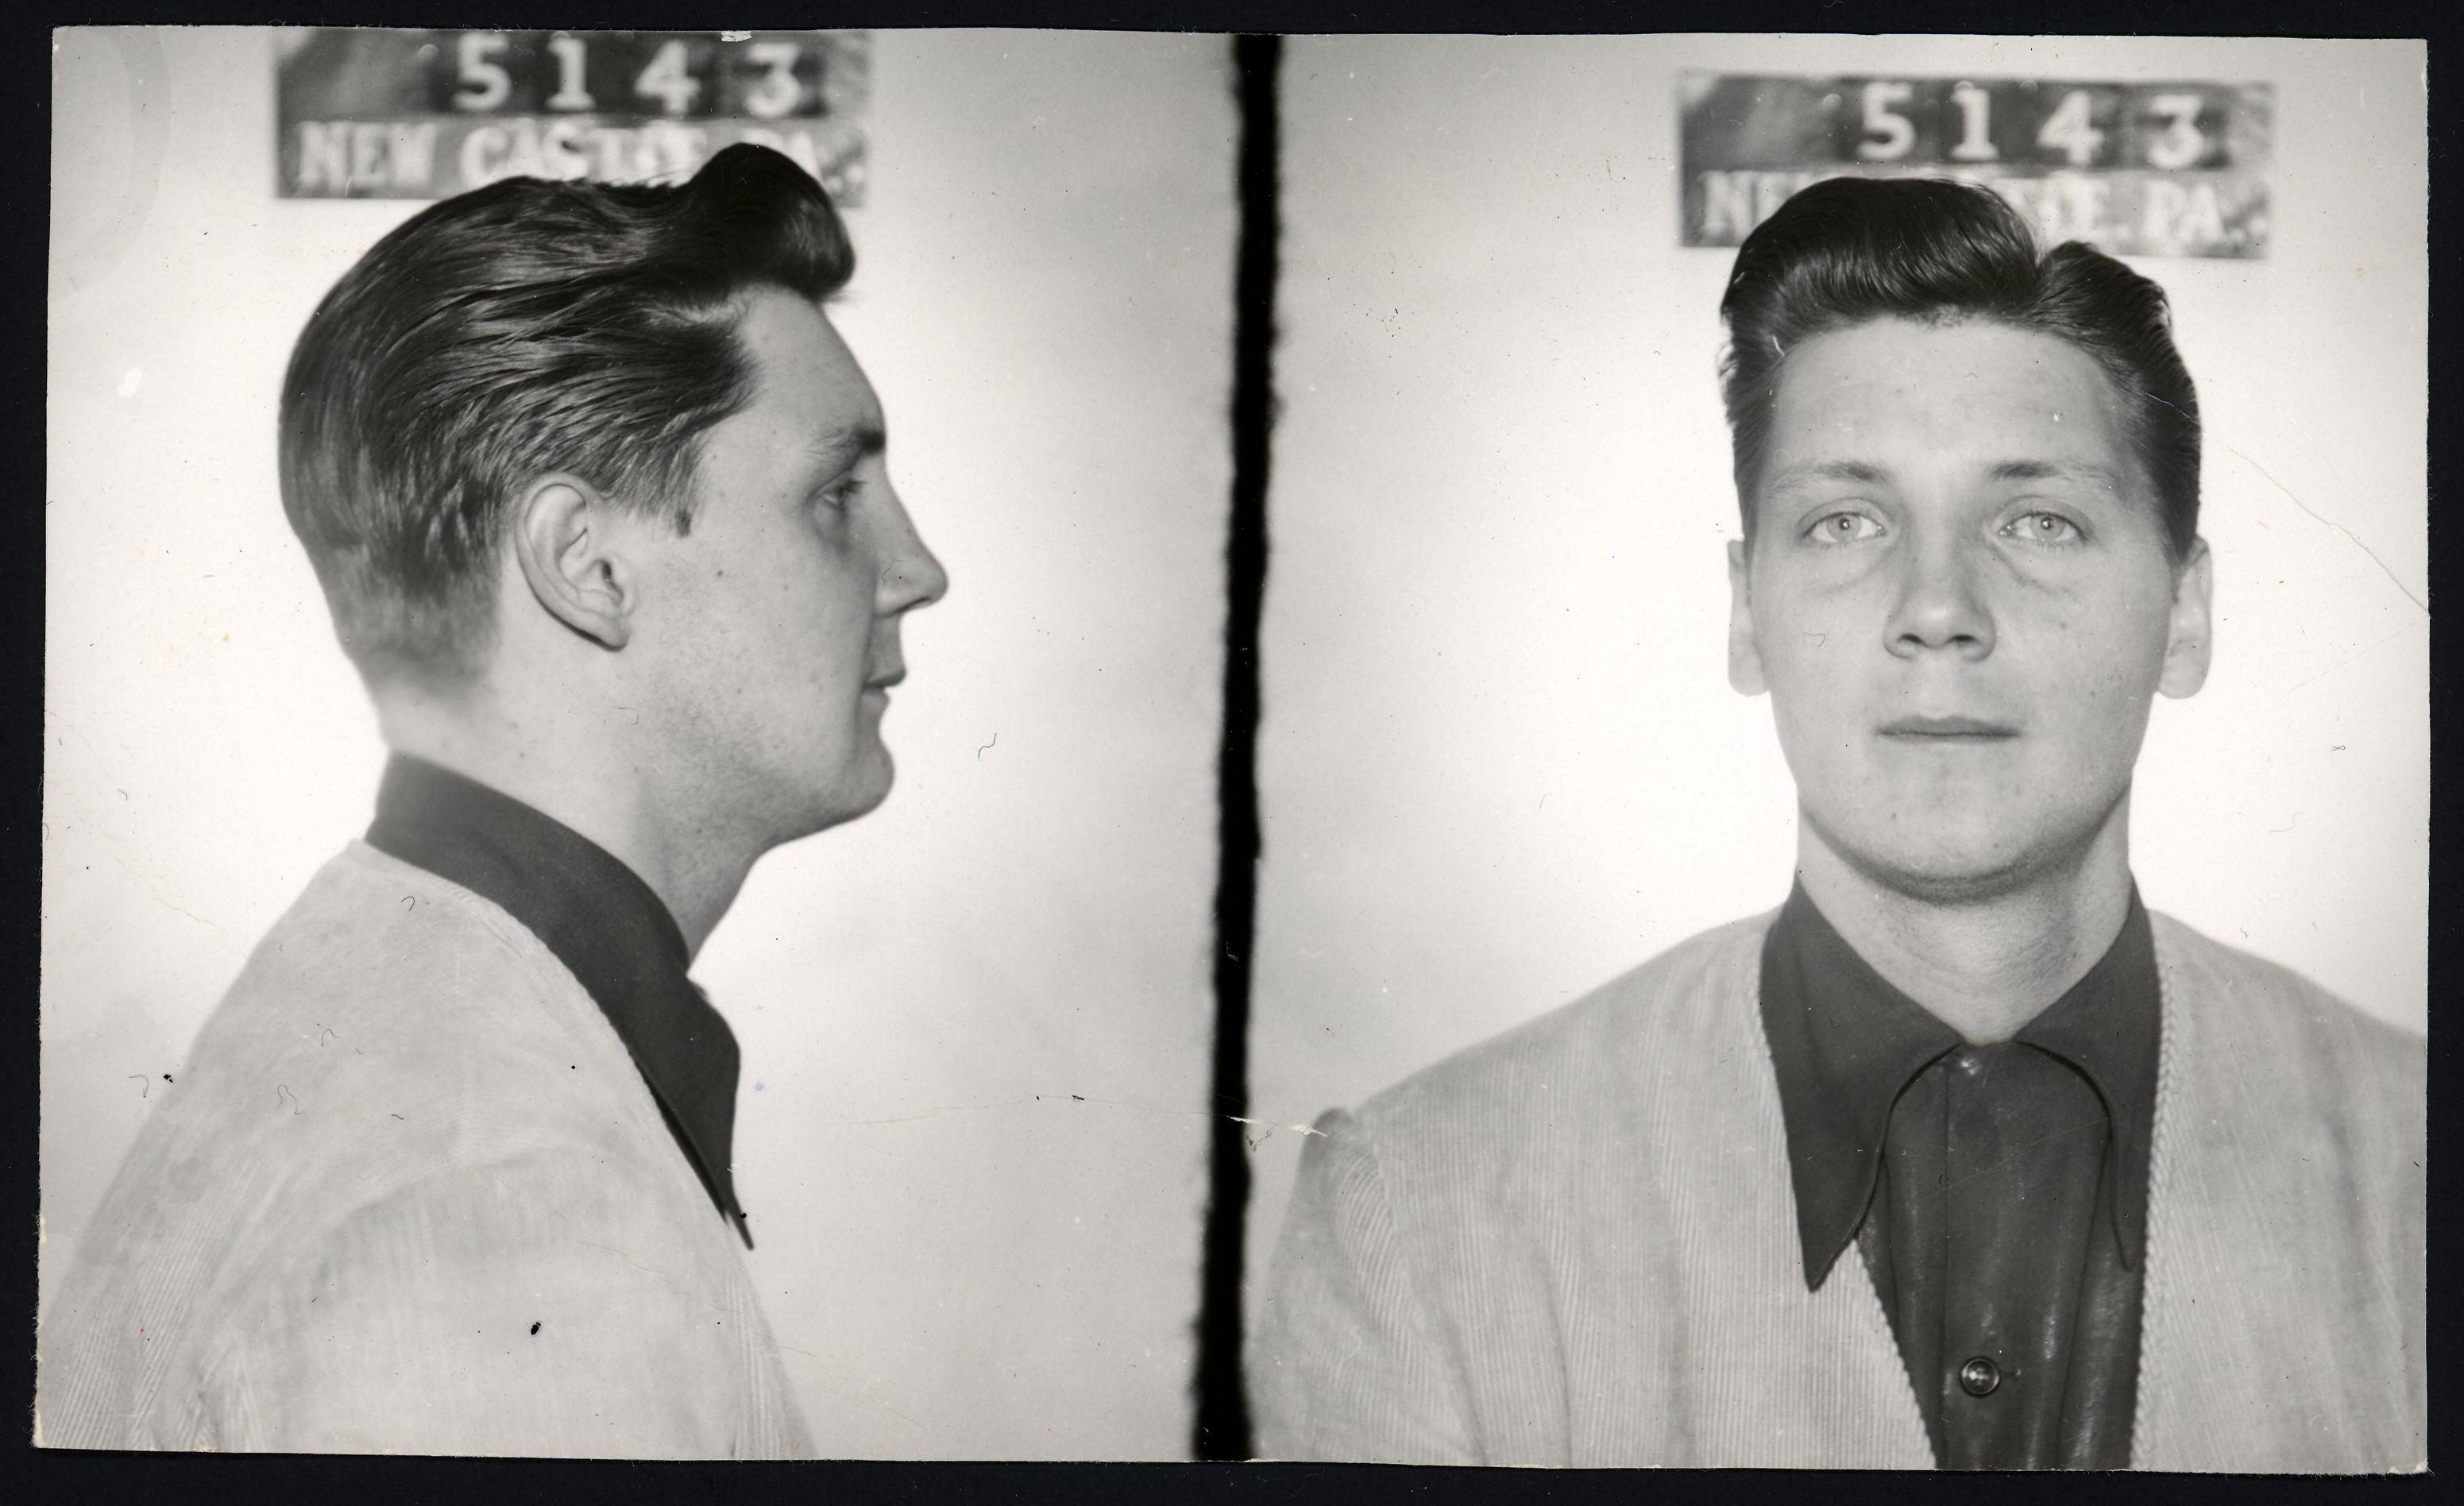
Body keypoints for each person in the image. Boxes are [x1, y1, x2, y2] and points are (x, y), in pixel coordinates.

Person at [1249, 177, 2423, 1472]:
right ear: (1746, 613)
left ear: (2183, 616)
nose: (1937, 609)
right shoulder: (1420, 1209)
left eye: (2038, 521)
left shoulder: (2420, 1172)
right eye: (1844, 521)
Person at [38, 145, 947, 1457]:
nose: (916, 569)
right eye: (835, 495)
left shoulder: (400, 1011)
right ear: (587, 566)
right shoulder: (499, 1211)